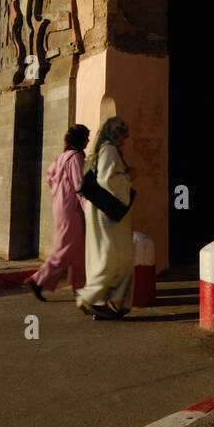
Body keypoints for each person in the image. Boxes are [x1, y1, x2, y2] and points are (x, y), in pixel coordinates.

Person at [76, 116, 136, 320]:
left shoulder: (100, 151)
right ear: (114, 134)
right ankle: (94, 299)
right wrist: (128, 177)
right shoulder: (108, 150)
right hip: (109, 213)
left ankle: (106, 303)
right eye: (121, 136)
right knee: (117, 257)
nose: (123, 141)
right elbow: (107, 179)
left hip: (101, 211)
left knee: (109, 255)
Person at [24, 124, 90, 302]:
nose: (88, 141)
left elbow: (49, 176)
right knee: (67, 248)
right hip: (71, 208)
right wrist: (88, 210)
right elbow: (80, 186)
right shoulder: (76, 157)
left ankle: (81, 288)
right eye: (86, 138)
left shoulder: (62, 157)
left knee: (78, 249)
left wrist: (59, 191)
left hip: (60, 205)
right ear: (81, 140)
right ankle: (38, 280)